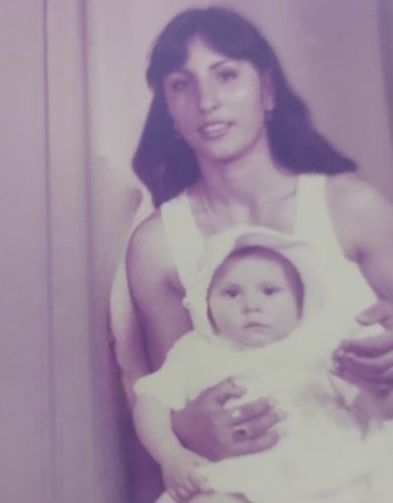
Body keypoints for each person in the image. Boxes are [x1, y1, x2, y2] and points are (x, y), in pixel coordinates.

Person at [114, 5, 393, 498]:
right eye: (182, 85)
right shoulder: (159, 245)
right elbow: (177, 383)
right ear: (169, 112)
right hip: (255, 478)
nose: (207, 101)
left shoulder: (352, 208)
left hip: (369, 459)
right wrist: (188, 427)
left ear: (266, 92)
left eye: (226, 76)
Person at [132, 227, 393, 503]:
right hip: (240, 477)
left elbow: (369, 409)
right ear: (205, 303)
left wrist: (366, 386)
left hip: (327, 470)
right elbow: (151, 399)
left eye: (269, 291)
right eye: (231, 293)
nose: (251, 305)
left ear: (300, 301)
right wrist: (169, 453)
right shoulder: (195, 351)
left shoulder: (320, 343)